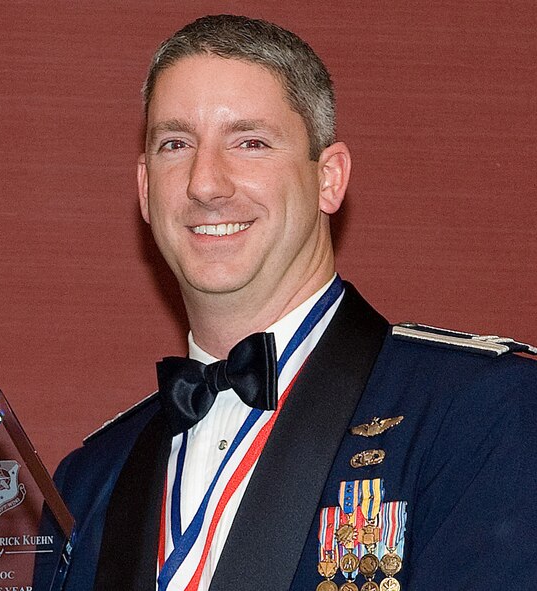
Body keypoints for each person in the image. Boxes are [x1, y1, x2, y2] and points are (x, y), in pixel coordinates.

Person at [52, 14, 537, 591]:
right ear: (145, 191)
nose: (206, 184)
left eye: (250, 142)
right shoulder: (88, 482)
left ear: (329, 178)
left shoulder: (488, 414)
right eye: (176, 144)